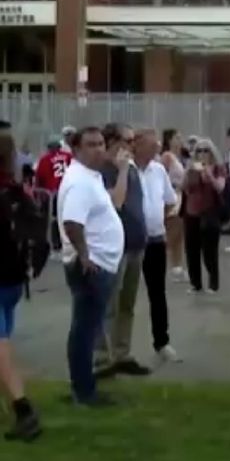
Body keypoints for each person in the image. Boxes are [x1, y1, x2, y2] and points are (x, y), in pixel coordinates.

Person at [58, 126, 124, 406]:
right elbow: (72, 222)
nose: (98, 149)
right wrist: (85, 256)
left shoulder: (90, 176)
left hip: (98, 263)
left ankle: (82, 386)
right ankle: (84, 391)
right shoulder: (79, 182)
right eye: (91, 145)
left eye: (100, 144)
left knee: (86, 327)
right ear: (77, 149)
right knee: (85, 330)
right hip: (91, 267)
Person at [95, 123, 151, 378]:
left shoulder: (130, 168)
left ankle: (122, 352)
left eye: (133, 140)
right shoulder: (104, 170)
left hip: (136, 243)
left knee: (127, 304)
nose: (132, 146)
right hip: (114, 247)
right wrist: (122, 171)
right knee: (109, 305)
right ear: (111, 141)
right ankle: (102, 358)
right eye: (128, 140)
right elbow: (115, 202)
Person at [0, 132, 42, 440]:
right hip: (14, 280)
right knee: (4, 347)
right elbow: (37, 235)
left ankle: (23, 409)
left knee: (1, 349)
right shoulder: (17, 191)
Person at [133, 129, 180, 365]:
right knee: (124, 295)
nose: (155, 150)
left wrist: (157, 222)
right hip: (130, 242)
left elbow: (170, 202)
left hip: (155, 239)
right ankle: (118, 347)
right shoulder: (127, 170)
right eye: (151, 145)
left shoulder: (159, 170)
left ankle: (162, 341)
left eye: (157, 146)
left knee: (157, 292)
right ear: (137, 145)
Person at [182, 139, 226, 294]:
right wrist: (189, 173)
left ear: (212, 152)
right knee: (191, 250)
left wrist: (209, 175)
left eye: (205, 150)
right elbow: (185, 189)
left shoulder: (218, 168)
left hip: (210, 212)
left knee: (209, 251)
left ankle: (213, 284)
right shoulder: (192, 168)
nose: (202, 154)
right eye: (199, 151)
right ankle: (196, 283)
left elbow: (221, 187)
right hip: (191, 212)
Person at [35, 134, 72, 252]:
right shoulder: (69, 156)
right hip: (69, 190)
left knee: (54, 218)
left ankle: (56, 243)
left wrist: (38, 193)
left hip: (54, 193)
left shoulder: (45, 159)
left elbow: (39, 178)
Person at [160, 129, 186, 281]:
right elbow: (162, 176)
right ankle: (163, 264)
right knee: (171, 232)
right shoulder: (167, 156)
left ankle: (177, 266)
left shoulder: (179, 157)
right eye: (177, 137)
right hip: (172, 195)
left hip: (181, 195)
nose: (180, 140)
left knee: (179, 233)